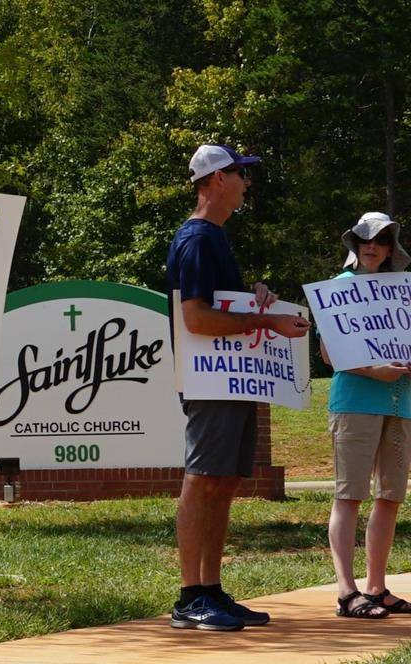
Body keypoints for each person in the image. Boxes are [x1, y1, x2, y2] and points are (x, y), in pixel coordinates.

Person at [166, 143, 310, 632]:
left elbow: (219, 307)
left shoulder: (216, 238)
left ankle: (211, 589)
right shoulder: (196, 239)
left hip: (230, 379)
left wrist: (254, 299)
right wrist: (267, 321)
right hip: (209, 382)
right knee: (202, 478)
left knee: (224, 482)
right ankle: (189, 597)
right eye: (240, 174)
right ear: (216, 180)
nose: (246, 183)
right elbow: (196, 318)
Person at [321, 212, 411, 619]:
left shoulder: (402, 291)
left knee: (390, 497)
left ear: (392, 248)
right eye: (364, 239)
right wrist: (374, 371)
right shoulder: (339, 288)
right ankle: (346, 592)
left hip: (400, 404)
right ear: (354, 245)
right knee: (349, 494)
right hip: (355, 403)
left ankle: (376, 588)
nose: (372, 246)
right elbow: (328, 354)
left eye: (381, 240)